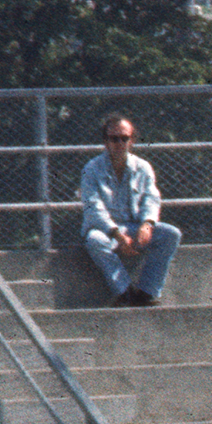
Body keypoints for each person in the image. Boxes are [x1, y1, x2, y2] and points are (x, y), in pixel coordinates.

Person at [76, 116, 176, 307]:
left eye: (124, 138)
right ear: (106, 141)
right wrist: (117, 235)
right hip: (107, 231)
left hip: (135, 227)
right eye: (114, 139)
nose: (119, 143)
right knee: (94, 240)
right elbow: (93, 207)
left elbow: (151, 198)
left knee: (171, 234)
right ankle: (125, 292)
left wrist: (147, 224)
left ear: (132, 141)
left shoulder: (143, 167)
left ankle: (147, 293)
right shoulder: (91, 169)